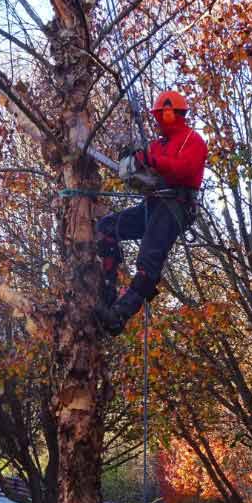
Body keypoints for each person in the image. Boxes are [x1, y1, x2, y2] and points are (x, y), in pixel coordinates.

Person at [95, 90, 208, 335]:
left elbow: (184, 170)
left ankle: (118, 315)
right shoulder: (157, 145)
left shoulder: (192, 140)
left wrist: (151, 161)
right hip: (154, 203)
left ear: (176, 114)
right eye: (159, 115)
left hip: (176, 205)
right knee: (107, 228)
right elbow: (144, 169)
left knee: (148, 259)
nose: (161, 120)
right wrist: (133, 161)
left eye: (165, 114)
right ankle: (106, 293)